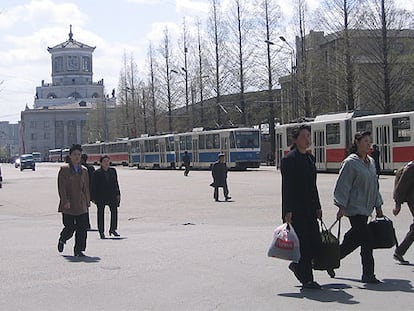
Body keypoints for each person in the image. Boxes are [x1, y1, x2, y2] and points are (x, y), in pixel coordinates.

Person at [333, 131, 384, 283]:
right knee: (367, 239)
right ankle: (368, 274)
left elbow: (375, 185)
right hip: (354, 208)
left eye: (370, 141)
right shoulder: (350, 163)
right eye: (366, 141)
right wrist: (341, 206)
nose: (369, 144)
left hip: (366, 208)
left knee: (354, 239)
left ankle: (330, 260)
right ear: (357, 142)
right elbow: (343, 185)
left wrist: (378, 205)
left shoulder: (371, 162)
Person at [281, 124, 323, 289]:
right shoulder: (289, 160)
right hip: (296, 209)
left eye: (309, 136)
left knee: (315, 242)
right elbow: (287, 188)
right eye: (304, 136)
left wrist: (318, 206)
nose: (308, 139)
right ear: (296, 140)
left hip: (311, 208)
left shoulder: (310, 158)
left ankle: (298, 267)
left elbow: (314, 186)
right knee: (304, 244)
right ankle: (307, 279)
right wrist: (287, 211)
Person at [57, 144, 91, 257]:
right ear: (70, 156)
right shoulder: (64, 170)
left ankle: (79, 250)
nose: (77, 157)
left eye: (79, 155)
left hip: (81, 204)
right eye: (75, 154)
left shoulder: (84, 170)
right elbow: (61, 187)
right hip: (69, 204)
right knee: (70, 227)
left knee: (82, 228)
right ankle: (63, 239)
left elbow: (85, 187)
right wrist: (65, 200)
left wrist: (87, 200)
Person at [91, 155, 121, 239]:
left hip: (112, 195)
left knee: (114, 212)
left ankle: (113, 229)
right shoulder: (97, 173)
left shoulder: (113, 171)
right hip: (101, 196)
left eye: (107, 161)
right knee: (100, 214)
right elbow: (93, 186)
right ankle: (101, 231)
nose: (106, 163)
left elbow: (116, 183)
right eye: (104, 161)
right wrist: (93, 197)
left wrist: (118, 194)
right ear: (101, 163)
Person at [392, 161, 414, 265]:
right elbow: (401, 187)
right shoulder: (411, 167)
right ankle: (399, 251)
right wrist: (397, 204)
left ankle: (399, 251)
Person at [81, 153, 95, 230]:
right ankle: (87, 224)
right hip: (88, 191)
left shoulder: (81, 168)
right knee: (86, 208)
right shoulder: (91, 168)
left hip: (82, 191)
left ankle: (84, 224)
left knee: (82, 209)